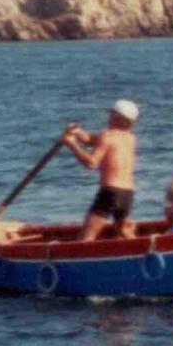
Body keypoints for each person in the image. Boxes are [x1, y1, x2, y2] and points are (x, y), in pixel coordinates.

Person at [64, 99, 139, 241]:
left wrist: (72, 144)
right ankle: (144, 250)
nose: (108, 117)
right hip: (127, 194)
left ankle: (81, 262)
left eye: (111, 114)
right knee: (121, 231)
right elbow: (91, 139)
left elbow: (92, 163)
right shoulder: (131, 138)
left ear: (117, 117)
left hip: (110, 192)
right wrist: (77, 132)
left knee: (86, 238)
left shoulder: (107, 135)